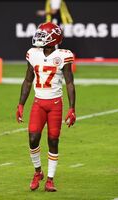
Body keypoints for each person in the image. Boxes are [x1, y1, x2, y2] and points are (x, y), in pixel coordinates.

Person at [16, 22, 76, 192]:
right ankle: (38, 172)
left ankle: (50, 179)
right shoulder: (33, 54)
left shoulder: (63, 56)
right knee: (33, 138)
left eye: (44, 34)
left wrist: (72, 108)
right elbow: (28, 80)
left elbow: (70, 83)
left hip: (55, 104)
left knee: (53, 140)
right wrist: (21, 104)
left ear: (54, 37)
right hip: (38, 103)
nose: (40, 37)